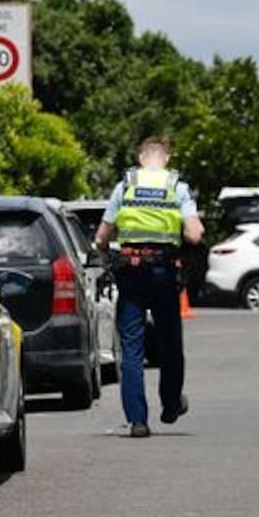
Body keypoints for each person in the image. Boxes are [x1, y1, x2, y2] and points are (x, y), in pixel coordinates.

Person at [94, 137, 205, 438]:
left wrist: (106, 259)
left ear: (142, 158)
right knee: (170, 342)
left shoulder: (124, 185)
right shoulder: (177, 187)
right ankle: (170, 405)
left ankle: (137, 421)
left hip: (130, 271)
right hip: (163, 272)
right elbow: (195, 234)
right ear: (166, 159)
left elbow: (102, 237)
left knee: (131, 347)